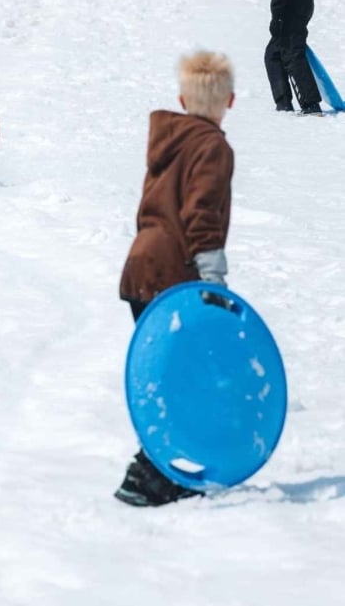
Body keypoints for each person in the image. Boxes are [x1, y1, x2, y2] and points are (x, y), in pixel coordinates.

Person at [114, 50, 236, 507]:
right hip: (173, 273)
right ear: (231, 102)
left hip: (140, 267)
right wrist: (213, 282)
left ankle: (154, 467)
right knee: (187, 375)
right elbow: (200, 213)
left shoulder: (169, 142)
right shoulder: (212, 147)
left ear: (183, 98)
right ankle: (151, 473)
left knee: (172, 372)